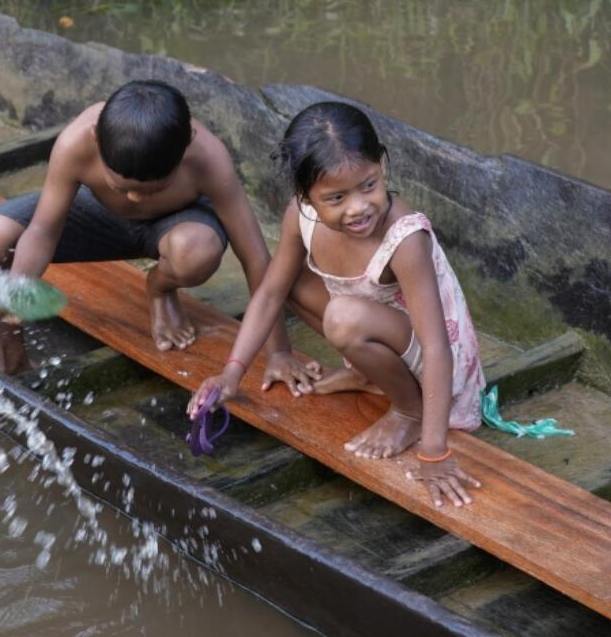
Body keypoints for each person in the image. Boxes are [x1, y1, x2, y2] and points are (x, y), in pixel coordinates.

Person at [187, 101, 486, 508]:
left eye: (369, 185)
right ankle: (370, 375)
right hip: (378, 330)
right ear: (305, 196)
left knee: (343, 317)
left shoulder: (405, 237)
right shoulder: (301, 215)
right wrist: (230, 374)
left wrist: (435, 452)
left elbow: (436, 347)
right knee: (285, 280)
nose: (358, 207)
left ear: (382, 165)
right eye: (337, 197)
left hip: (438, 365)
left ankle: (408, 410)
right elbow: (271, 293)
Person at [0, 79, 312, 387]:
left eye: (151, 189)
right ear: (96, 139)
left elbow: (254, 257)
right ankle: (8, 347)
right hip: (97, 219)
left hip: (173, 228)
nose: (134, 199)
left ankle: (160, 289)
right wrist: (15, 299)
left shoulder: (208, 157)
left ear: (186, 145)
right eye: (121, 186)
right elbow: (44, 230)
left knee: (197, 250)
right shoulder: (76, 140)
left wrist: (278, 351)